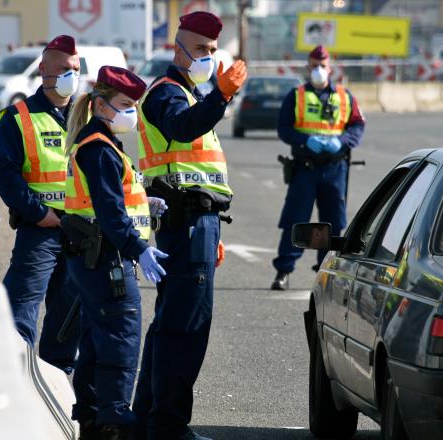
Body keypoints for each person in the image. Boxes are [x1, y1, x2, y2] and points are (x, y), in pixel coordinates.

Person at [132, 11, 247, 440]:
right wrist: (220, 95)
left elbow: (202, 171)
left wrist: (212, 226)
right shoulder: (167, 94)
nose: (208, 58)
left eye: (214, 51)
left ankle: (147, 419)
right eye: (200, 49)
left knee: (170, 325)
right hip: (186, 222)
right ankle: (168, 426)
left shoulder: (191, 97)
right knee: (186, 329)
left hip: (199, 222)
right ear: (177, 48)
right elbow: (182, 130)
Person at [63, 66, 166, 440]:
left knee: (96, 338)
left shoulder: (99, 143)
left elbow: (109, 200)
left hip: (93, 256)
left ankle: (91, 415)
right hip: (107, 258)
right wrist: (141, 249)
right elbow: (109, 213)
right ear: (101, 105)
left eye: (134, 105)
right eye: (125, 104)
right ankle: (114, 420)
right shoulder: (100, 149)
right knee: (122, 335)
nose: (132, 113)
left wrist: (144, 203)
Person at [0, 35, 82, 372]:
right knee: (21, 305)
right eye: (62, 69)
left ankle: (57, 378)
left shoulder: (86, 118)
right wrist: (39, 212)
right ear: (43, 70)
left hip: (78, 228)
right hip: (40, 228)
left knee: (69, 310)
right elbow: (7, 177)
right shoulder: (18, 117)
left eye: (74, 69)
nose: (70, 76)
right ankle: (16, 375)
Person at [270, 45, 365, 290]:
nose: (319, 70)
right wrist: (304, 140)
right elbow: (284, 128)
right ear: (308, 67)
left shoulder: (345, 96)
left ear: (330, 68)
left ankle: (326, 273)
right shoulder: (296, 95)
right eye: (314, 65)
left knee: (333, 223)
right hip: (305, 168)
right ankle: (283, 271)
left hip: (335, 168)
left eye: (323, 66)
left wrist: (341, 141)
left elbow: (357, 126)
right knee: (295, 218)